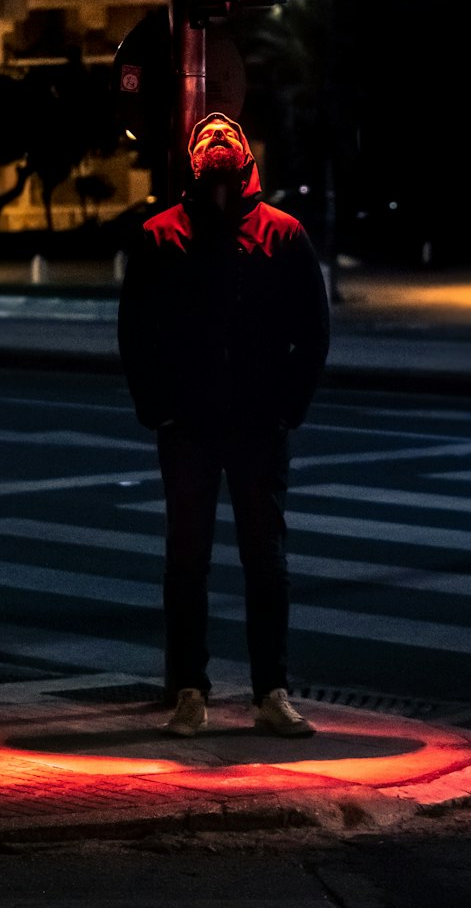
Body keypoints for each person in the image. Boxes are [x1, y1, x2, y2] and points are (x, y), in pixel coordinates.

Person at [117, 112, 330, 738]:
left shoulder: (282, 234)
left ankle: (272, 691)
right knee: (188, 560)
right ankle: (191, 690)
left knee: (265, 561)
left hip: (258, 426)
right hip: (189, 425)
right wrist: (157, 406)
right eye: (206, 140)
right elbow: (137, 333)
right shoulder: (161, 235)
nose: (216, 146)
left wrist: (288, 407)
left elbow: (312, 331)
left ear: (243, 159)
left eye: (225, 140)